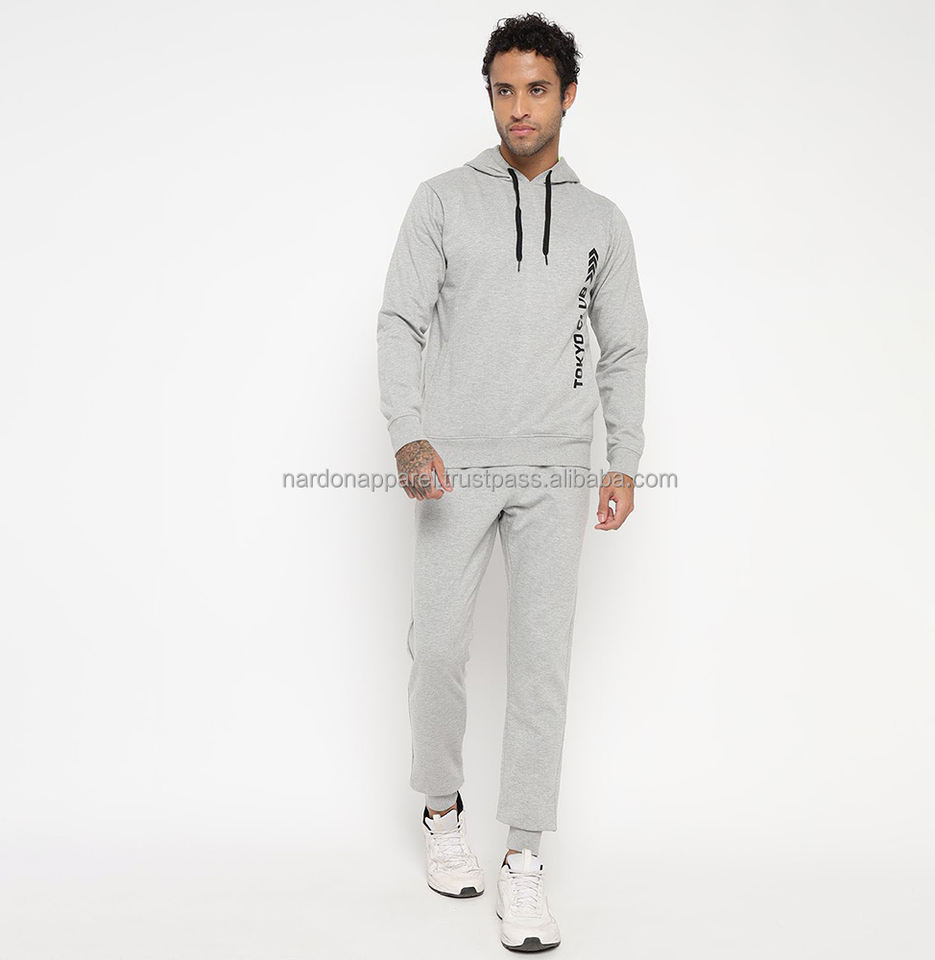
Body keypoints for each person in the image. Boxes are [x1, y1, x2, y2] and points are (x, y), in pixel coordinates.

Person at [376, 13, 648, 952]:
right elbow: (400, 321)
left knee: (540, 665)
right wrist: (408, 433)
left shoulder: (601, 222)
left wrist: (623, 458)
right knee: (438, 648)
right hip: (453, 463)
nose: (519, 107)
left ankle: (524, 859)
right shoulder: (443, 200)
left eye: (537, 89)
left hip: (558, 466)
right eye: (504, 90)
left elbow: (623, 348)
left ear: (568, 95)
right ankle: (441, 810)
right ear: (489, 95)